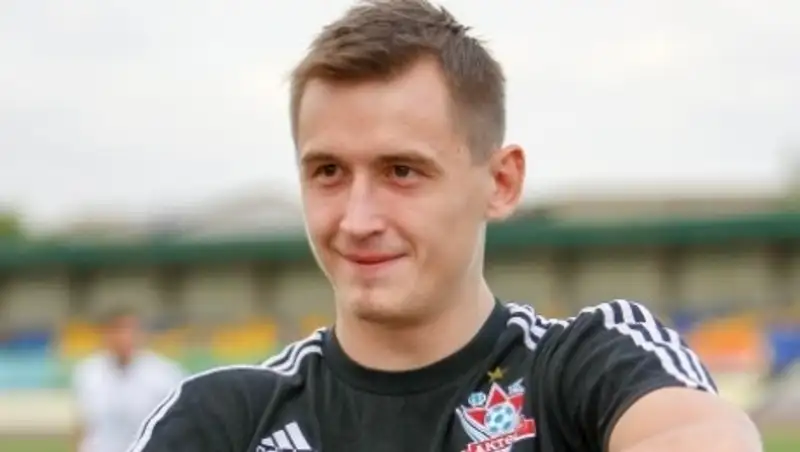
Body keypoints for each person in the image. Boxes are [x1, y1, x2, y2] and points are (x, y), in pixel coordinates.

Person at [127, 1, 762, 451]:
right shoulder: (224, 420)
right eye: (328, 172)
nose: (357, 219)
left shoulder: (588, 366)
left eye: (402, 171)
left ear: (501, 182)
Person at [71, 306, 185, 452]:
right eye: (116, 331)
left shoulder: (166, 373)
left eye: (129, 330)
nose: (123, 338)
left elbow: (179, 425)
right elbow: (83, 425)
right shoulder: (88, 372)